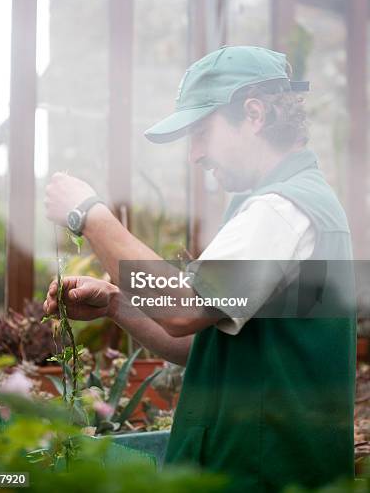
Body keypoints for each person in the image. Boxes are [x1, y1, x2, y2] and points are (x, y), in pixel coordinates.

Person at [44, 46, 356, 492]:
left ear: (253, 114)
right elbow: (199, 340)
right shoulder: (273, 207)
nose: (194, 155)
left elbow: (182, 310)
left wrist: (89, 214)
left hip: (264, 477)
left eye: (201, 132)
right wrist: (117, 303)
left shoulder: (282, 210)